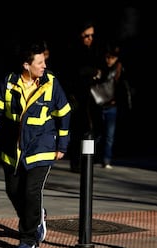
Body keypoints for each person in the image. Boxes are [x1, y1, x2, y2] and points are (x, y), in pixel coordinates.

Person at [0, 41, 71, 248]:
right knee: (13, 191)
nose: (44, 66)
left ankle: (29, 237)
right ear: (26, 65)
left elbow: (63, 114)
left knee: (30, 191)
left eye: (44, 61)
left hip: (42, 146)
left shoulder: (51, 84)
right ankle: (37, 215)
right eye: (39, 62)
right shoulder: (8, 83)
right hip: (13, 149)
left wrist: (62, 144)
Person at [64, 21, 103, 173]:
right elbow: (77, 72)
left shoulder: (94, 50)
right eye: (86, 36)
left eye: (92, 35)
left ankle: (88, 158)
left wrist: (95, 73)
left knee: (94, 129)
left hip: (92, 98)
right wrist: (93, 72)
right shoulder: (74, 51)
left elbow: (101, 70)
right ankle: (77, 161)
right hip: (78, 98)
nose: (90, 38)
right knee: (79, 130)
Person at [93, 43, 124, 169]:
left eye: (112, 58)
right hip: (100, 103)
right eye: (107, 57)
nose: (109, 60)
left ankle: (106, 159)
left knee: (109, 135)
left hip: (112, 105)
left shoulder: (119, 69)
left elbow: (122, 88)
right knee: (97, 134)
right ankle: (93, 156)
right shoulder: (101, 68)